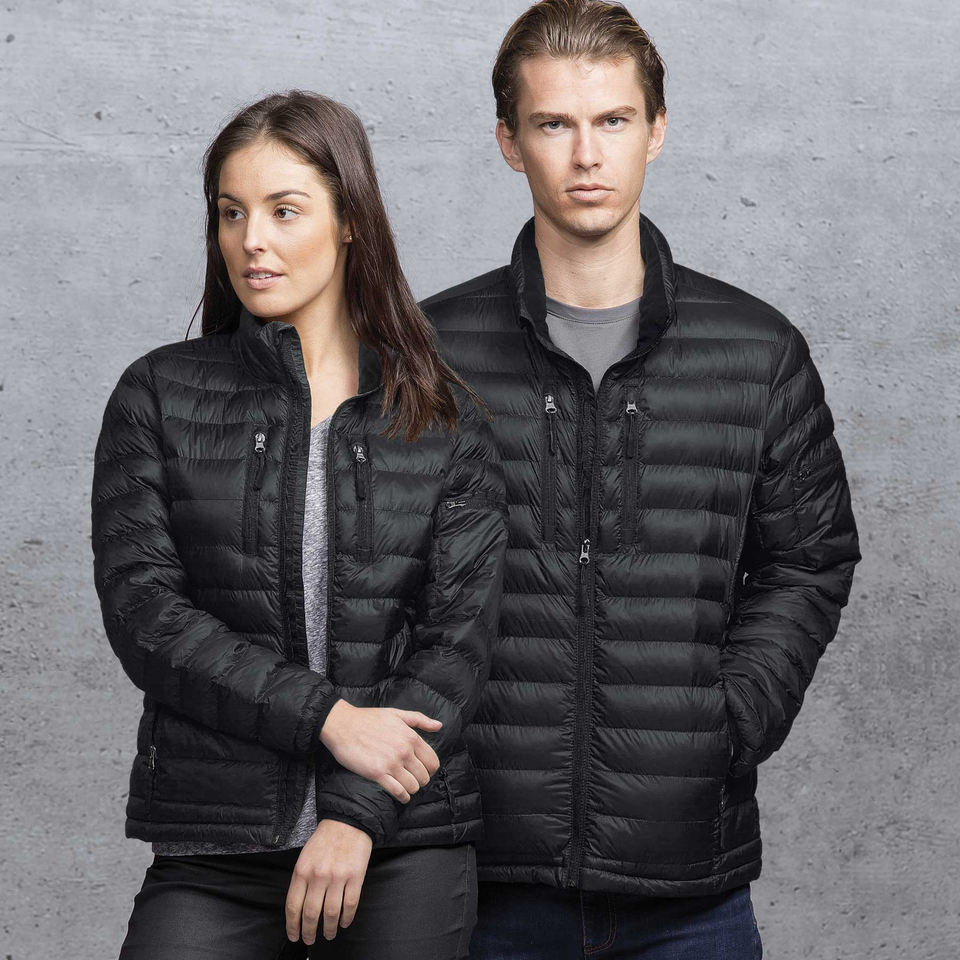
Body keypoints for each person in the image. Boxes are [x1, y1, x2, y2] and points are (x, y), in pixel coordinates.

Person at [418, 1, 862, 957]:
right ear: (508, 142)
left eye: (613, 120)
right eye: (554, 124)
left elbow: (811, 559)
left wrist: (725, 722)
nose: (587, 155)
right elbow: (372, 576)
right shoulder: (428, 354)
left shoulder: (757, 351)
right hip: (471, 875)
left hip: (688, 887)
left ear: (656, 131)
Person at [89, 89, 508, 960]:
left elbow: (456, 645)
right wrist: (328, 718)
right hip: (219, 839)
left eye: (284, 211)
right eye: (232, 212)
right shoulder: (158, 395)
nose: (252, 240)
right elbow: (147, 618)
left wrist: (354, 815)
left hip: (401, 837)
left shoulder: (441, 418)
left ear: (349, 220)